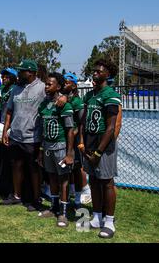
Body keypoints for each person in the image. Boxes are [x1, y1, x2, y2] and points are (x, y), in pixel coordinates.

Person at [80, 59, 122, 239]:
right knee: (94, 181)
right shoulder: (89, 96)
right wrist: (82, 143)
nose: (95, 73)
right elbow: (82, 122)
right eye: (94, 71)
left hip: (104, 147)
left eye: (99, 71)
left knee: (107, 182)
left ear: (108, 74)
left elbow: (111, 127)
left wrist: (98, 152)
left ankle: (109, 222)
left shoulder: (110, 94)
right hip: (89, 144)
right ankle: (96, 217)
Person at [1, 59, 46, 211]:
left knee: (34, 169)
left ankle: (36, 199)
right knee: (16, 166)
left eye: (22, 71)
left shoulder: (42, 88)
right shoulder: (15, 89)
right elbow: (9, 111)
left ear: (31, 73)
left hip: (33, 137)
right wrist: (5, 131)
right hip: (15, 135)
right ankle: (17, 196)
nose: (19, 74)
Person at [37, 73, 75, 227]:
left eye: (49, 84)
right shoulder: (43, 105)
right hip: (46, 147)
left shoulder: (64, 105)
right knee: (51, 177)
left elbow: (70, 130)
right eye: (46, 84)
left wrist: (69, 153)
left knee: (63, 180)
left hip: (60, 147)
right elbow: (42, 130)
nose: (46, 87)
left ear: (58, 87)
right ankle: (53, 208)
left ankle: (63, 213)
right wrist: (40, 150)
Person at [62, 73, 91, 208]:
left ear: (73, 86)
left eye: (67, 83)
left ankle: (79, 198)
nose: (64, 85)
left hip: (74, 141)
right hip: (64, 140)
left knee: (77, 169)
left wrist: (77, 138)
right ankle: (67, 196)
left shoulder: (77, 102)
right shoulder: (63, 99)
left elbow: (81, 123)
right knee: (67, 169)